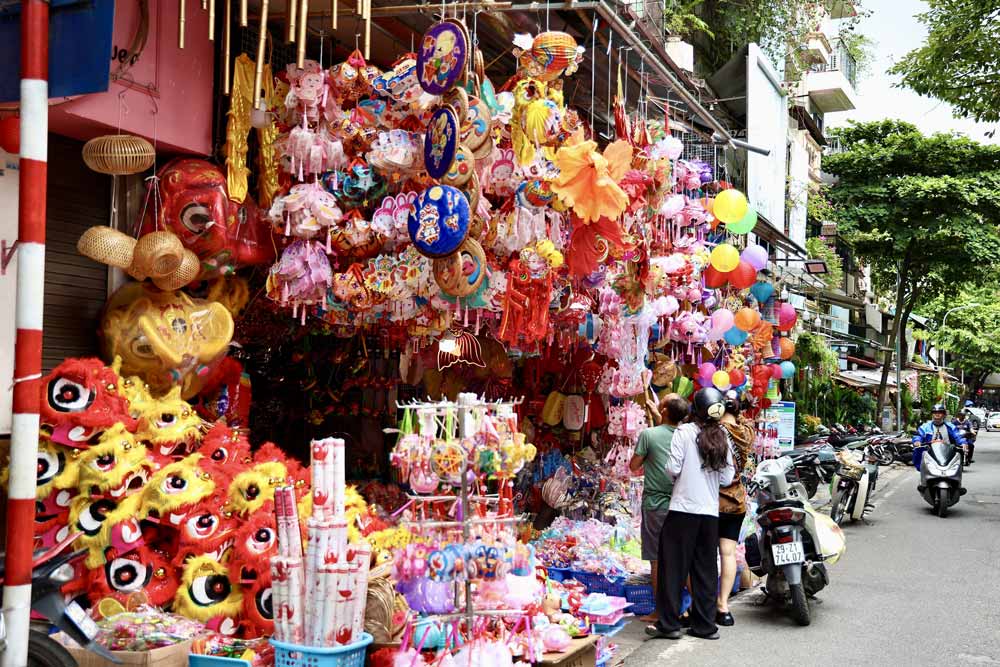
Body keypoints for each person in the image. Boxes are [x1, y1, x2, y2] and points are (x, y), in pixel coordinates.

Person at [646, 388, 735, 641]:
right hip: (709, 514)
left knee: (672, 568)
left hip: (682, 511)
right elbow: (728, 478)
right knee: (705, 570)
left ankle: (669, 624)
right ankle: (705, 626)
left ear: (695, 409)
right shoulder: (722, 437)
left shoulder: (684, 433)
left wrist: (679, 475)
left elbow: (672, 468)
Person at [629, 394, 690, 622]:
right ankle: (701, 607)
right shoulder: (687, 435)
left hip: (655, 505)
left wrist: (647, 455)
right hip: (682, 504)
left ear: (663, 411)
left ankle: (660, 611)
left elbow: (633, 465)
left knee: (656, 559)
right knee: (682, 557)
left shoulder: (648, 435)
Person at [716, 391, 755, 627]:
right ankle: (723, 605)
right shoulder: (747, 432)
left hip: (715, 499)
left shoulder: (715, 433)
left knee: (707, 554)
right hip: (737, 500)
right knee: (728, 553)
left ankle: (708, 602)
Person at [912, 403, 965, 470]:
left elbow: (958, 436)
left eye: (940, 412)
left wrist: (963, 443)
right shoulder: (925, 427)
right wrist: (917, 441)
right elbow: (919, 435)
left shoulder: (951, 426)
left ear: (944, 415)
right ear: (932, 414)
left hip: (948, 455)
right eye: (935, 412)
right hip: (930, 457)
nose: (937, 414)